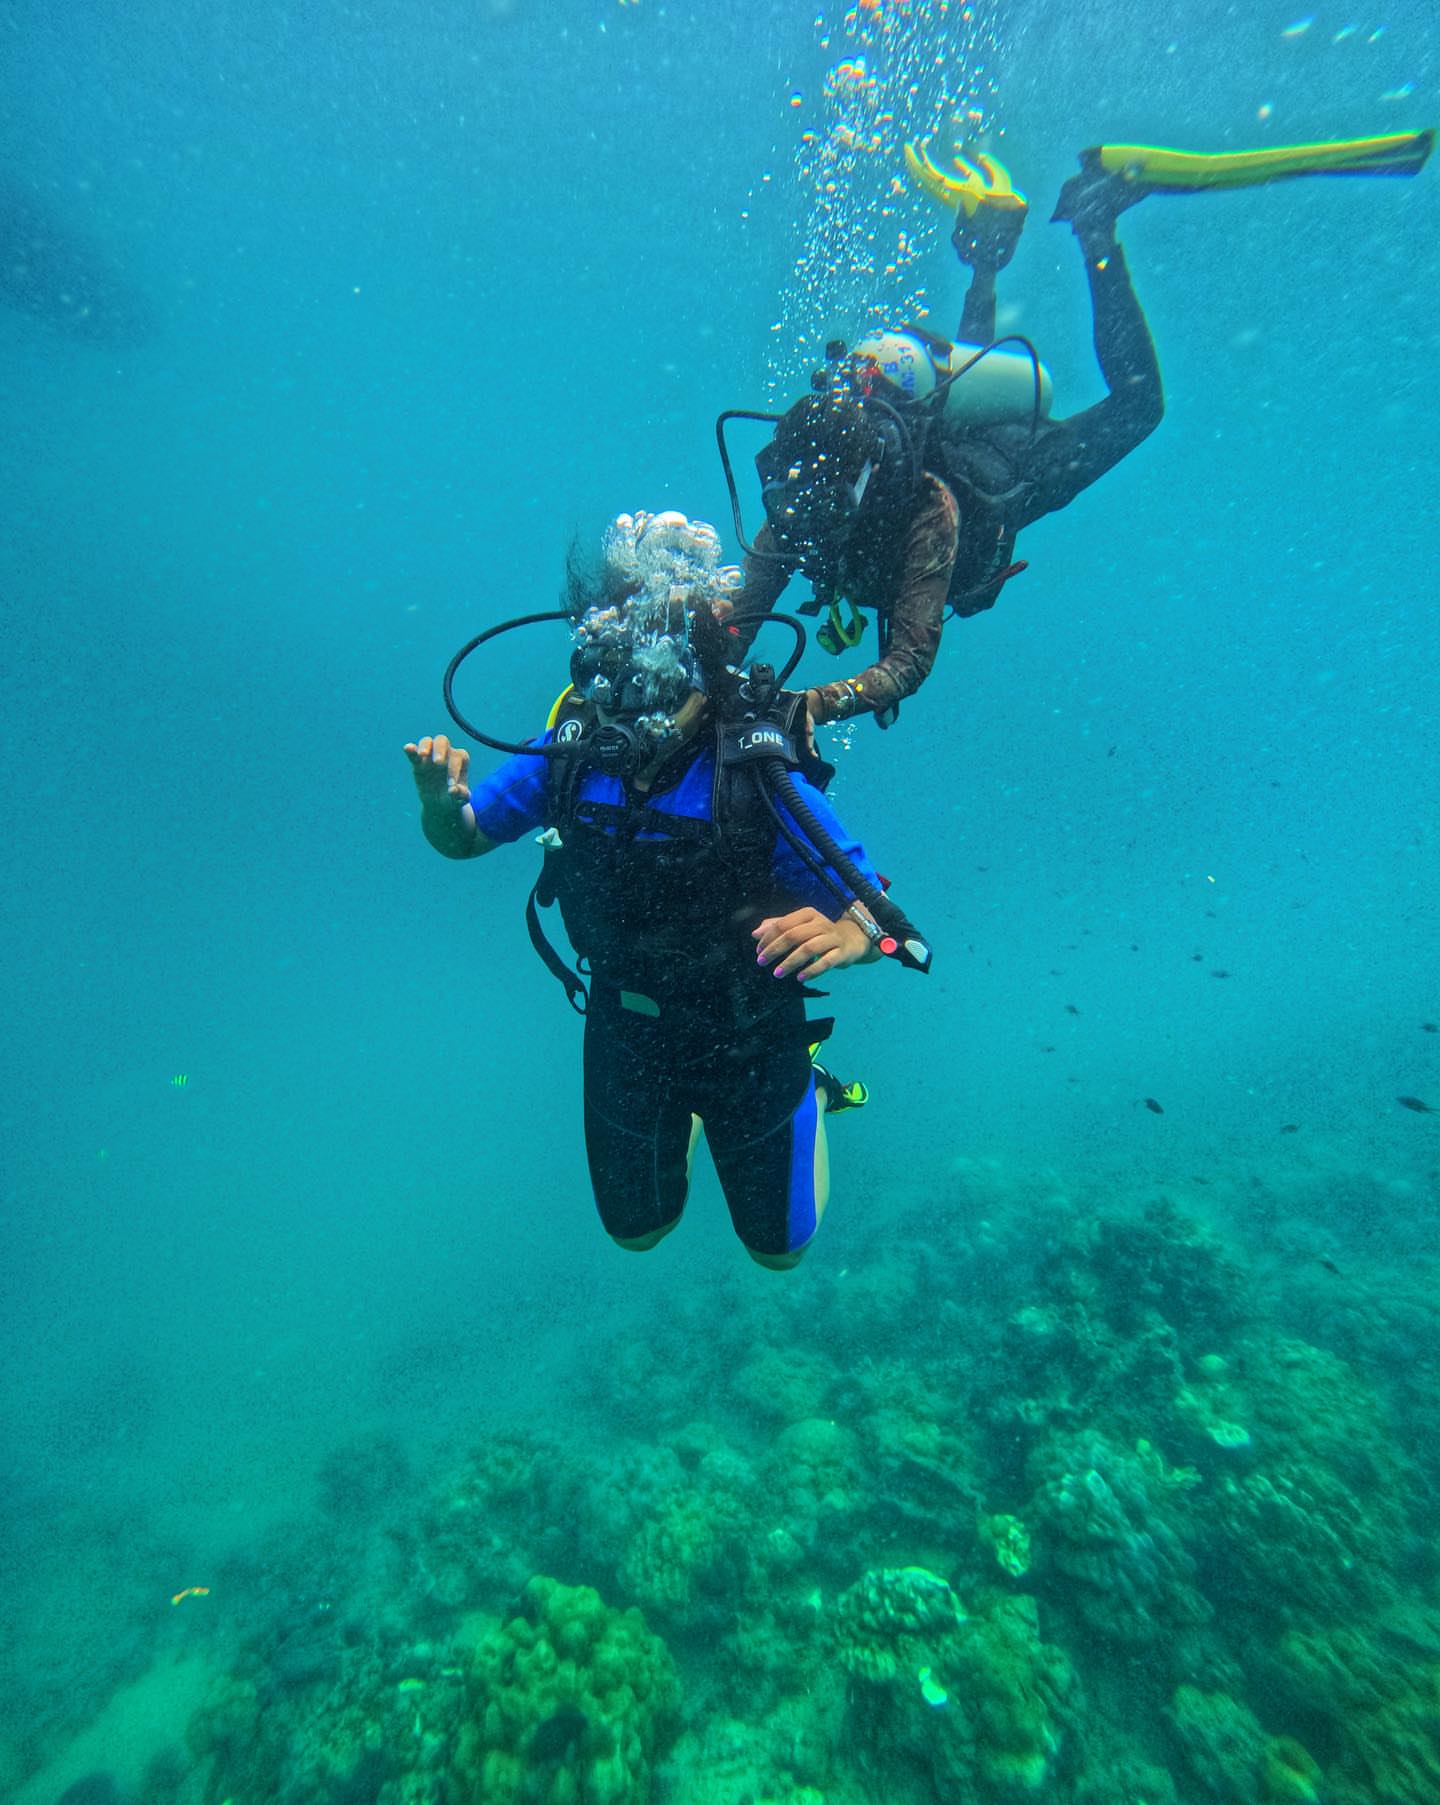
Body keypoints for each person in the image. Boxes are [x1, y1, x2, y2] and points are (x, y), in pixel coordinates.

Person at [724, 129, 1433, 730]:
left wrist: (803, 705)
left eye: (815, 511)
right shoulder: (800, 502)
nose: (798, 526)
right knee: (971, 388)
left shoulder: (927, 510)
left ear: (862, 489)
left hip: (996, 486)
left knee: (1136, 408)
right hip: (942, 428)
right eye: (791, 508)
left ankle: (1097, 224)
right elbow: (737, 619)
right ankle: (988, 255)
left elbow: (906, 665)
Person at [404, 510, 925, 1270]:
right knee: (637, 1233)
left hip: (748, 1030)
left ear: (701, 670)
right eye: (606, 678)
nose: (627, 711)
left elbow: (877, 914)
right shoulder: (571, 755)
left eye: (649, 684)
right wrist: (438, 809)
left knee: (779, 1253)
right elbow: (466, 838)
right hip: (628, 1022)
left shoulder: (755, 772)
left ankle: (808, 1090)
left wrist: (848, 938)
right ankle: (682, 1115)